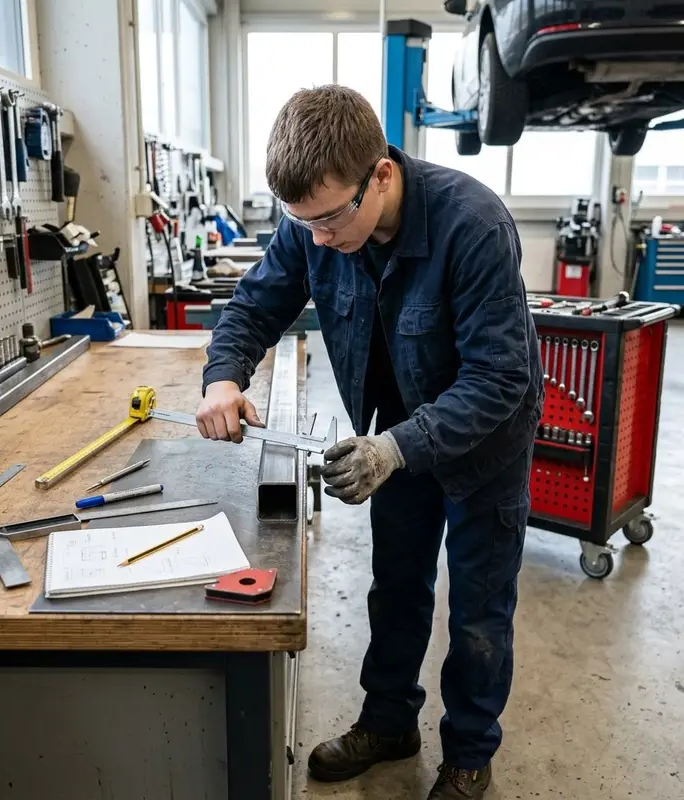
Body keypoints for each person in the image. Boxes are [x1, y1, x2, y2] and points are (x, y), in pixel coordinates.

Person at [195, 85, 543, 799]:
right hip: (401, 438)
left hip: (483, 444)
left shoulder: (473, 224)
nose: (318, 239)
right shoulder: (312, 222)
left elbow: (499, 377)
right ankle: (388, 723)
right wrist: (223, 379)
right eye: (304, 222)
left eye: (330, 219)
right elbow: (256, 305)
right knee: (397, 588)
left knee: (479, 611)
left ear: (381, 174)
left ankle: (469, 753)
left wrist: (393, 449)